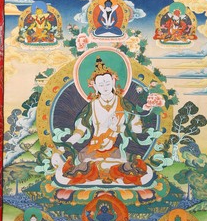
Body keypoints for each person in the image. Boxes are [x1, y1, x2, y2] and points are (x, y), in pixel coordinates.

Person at [51, 57, 152, 186]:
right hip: (92, 152)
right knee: (85, 169)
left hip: (115, 152)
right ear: (95, 86)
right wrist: (61, 149)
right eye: (101, 85)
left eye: (107, 83)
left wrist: (120, 127)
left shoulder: (124, 105)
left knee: (136, 170)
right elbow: (79, 132)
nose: (105, 87)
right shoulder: (92, 106)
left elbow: (136, 129)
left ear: (113, 82)